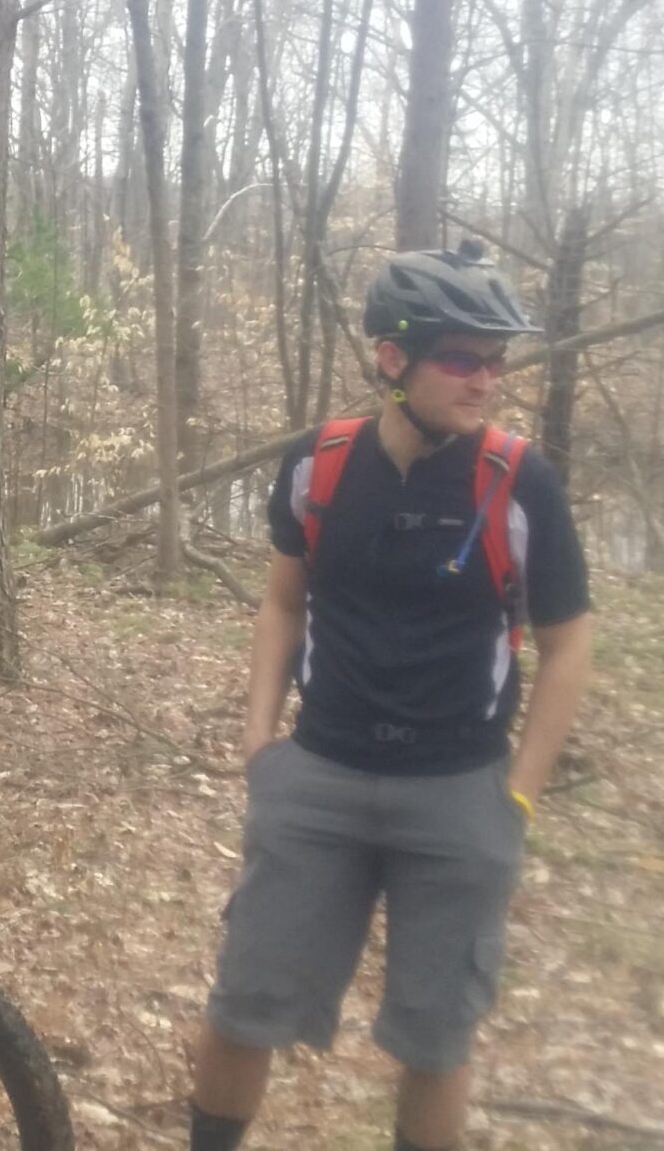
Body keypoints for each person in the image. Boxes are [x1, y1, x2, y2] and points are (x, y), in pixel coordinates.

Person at [186, 241, 595, 1151]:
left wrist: (518, 794)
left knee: (435, 1039)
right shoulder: (319, 465)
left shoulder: (517, 480)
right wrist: (261, 742)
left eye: (495, 360)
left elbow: (569, 647)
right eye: (462, 358)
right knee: (245, 1005)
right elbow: (282, 602)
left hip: (458, 792)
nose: (485, 378)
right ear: (391, 359)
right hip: (320, 775)